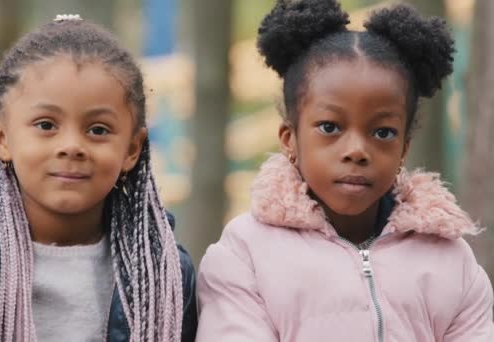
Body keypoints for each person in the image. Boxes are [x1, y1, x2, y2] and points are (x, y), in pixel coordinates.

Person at [0, 14, 197, 342]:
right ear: (1, 137)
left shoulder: (161, 269)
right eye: (46, 125)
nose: (72, 146)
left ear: (132, 149)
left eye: (98, 130)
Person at [196, 1, 494, 341]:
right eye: (329, 127)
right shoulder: (244, 254)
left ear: (404, 150)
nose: (356, 151)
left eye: (383, 132)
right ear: (289, 139)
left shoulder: (451, 262)